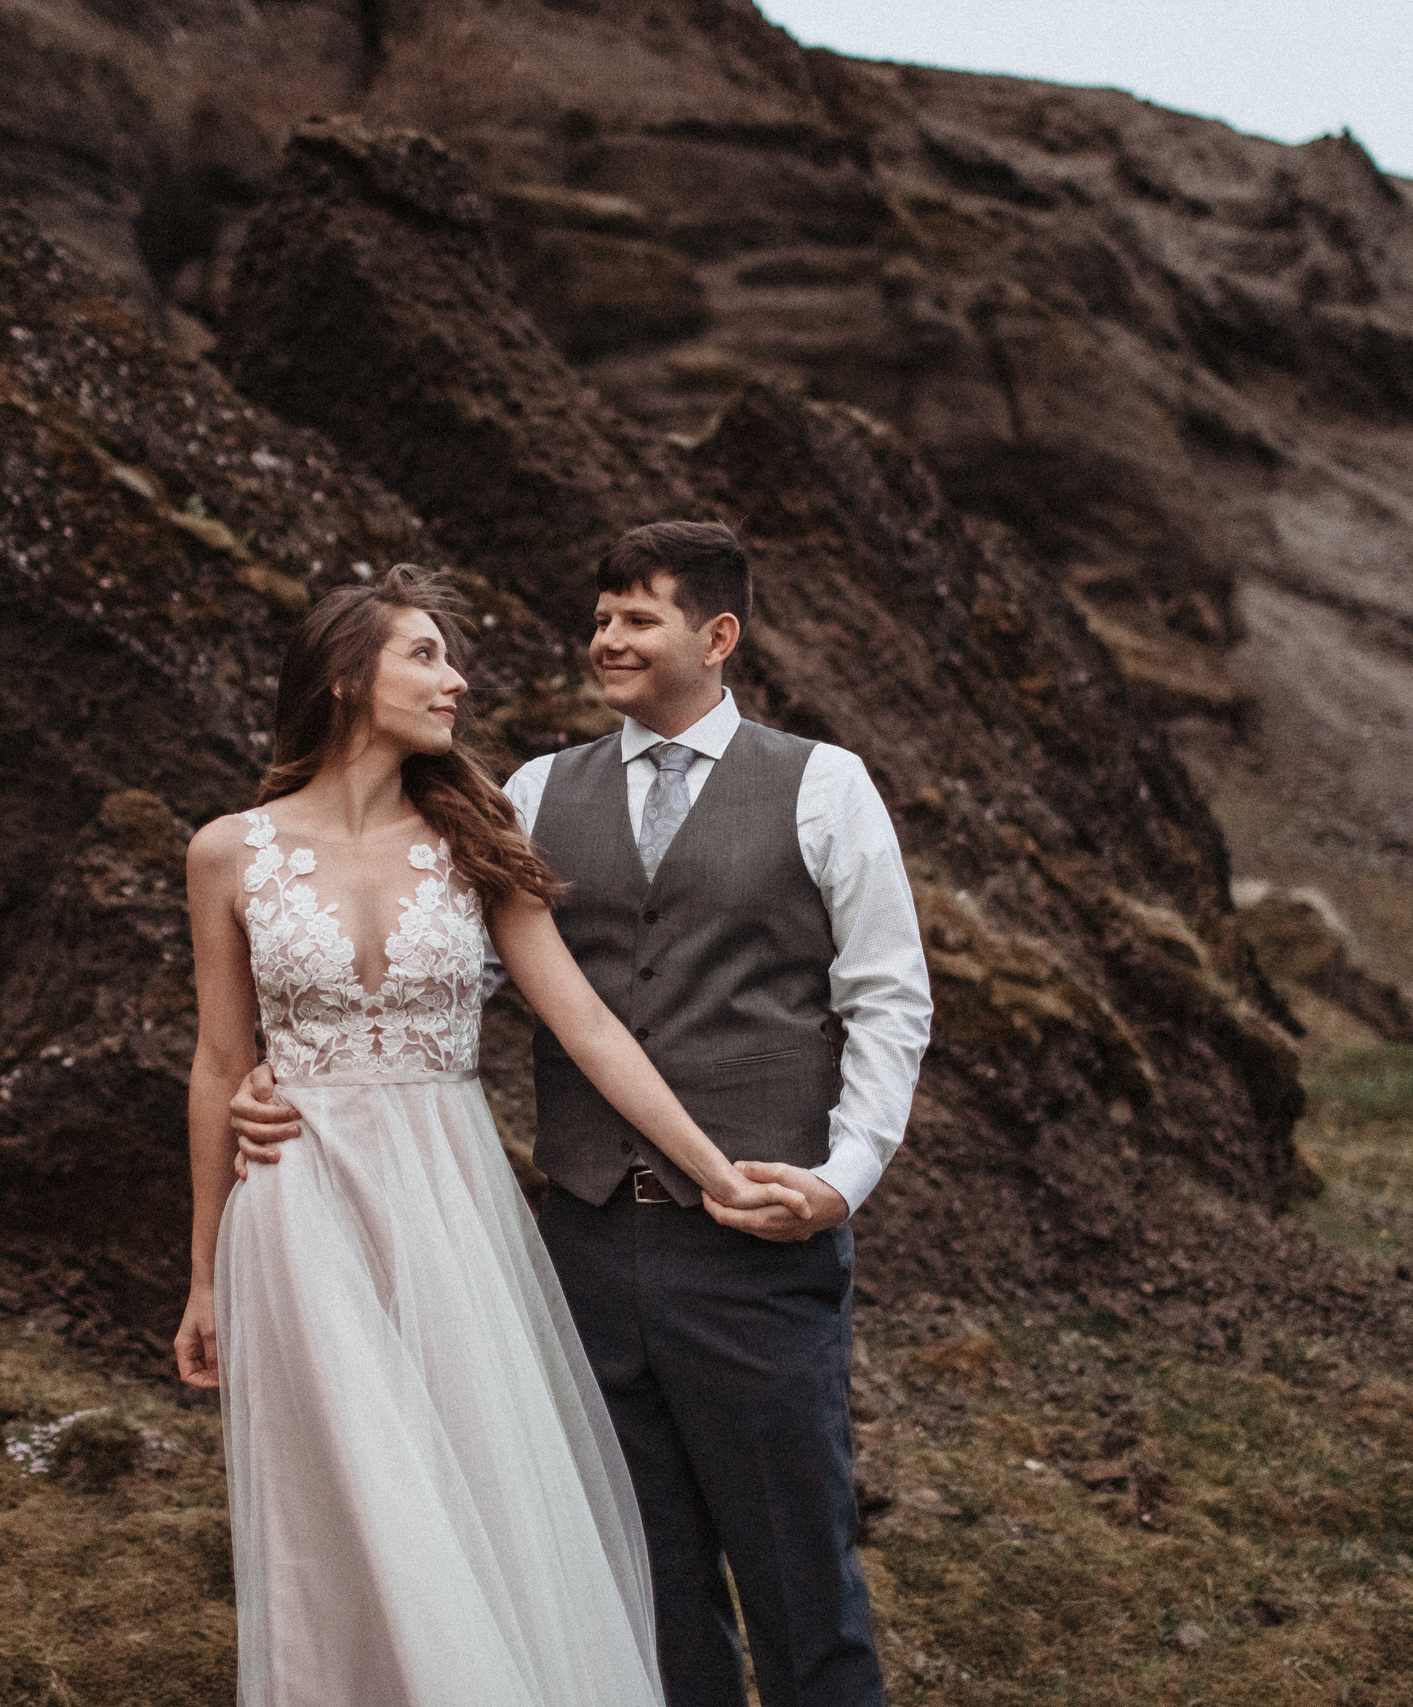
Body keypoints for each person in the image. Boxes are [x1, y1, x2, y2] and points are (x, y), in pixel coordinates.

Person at [235, 521, 934, 1707]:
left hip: (755, 1249)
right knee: (634, 1589)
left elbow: (886, 999)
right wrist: (294, 1069)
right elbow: (448, 977)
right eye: (600, 616)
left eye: (636, 618)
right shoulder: (526, 792)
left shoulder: (822, 785)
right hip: (578, 1252)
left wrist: (843, 1176)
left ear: (715, 637)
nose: (605, 638)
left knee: (801, 1579)